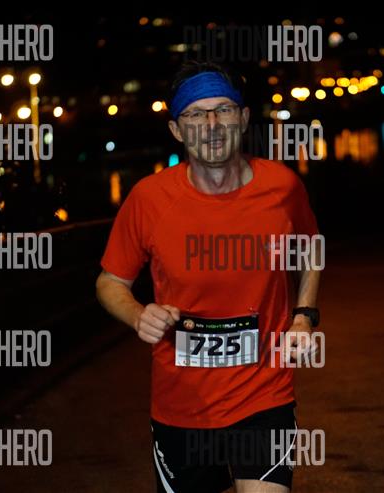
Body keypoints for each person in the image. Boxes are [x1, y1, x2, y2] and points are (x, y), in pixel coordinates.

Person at [95, 60, 322, 493]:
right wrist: (137, 314)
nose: (212, 125)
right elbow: (110, 282)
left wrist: (303, 316)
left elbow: (312, 250)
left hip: (264, 394)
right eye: (196, 114)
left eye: (223, 109)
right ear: (177, 130)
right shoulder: (149, 198)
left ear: (244, 118)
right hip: (183, 406)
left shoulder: (282, 187)